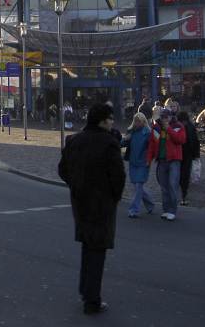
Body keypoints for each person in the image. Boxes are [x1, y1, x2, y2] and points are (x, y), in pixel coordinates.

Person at [58, 103, 126, 315]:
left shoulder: (74, 140)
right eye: (110, 118)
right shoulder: (109, 143)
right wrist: (114, 196)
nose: (113, 122)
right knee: (97, 251)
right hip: (102, 204)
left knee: (88, 247)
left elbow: (62, 170)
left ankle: (85, 290)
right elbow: (118, 176)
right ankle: (91, 300)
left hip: (80, 202)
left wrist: (76, 185)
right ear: (103, 120)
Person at [147, 108, 186, 221]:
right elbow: (152, 145)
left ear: (170, 117)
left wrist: (168, 129)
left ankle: (172, 210)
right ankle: (166, 210)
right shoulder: (156, 127)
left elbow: (181, 140)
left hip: (174, 160)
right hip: (161, 160)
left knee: (172, 185)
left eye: (166, 117)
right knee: (164, 187)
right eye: (163, 117)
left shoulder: (177, 126)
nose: (165, 119)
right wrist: (149, 159)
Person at [121, 113, 154, 217]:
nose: (137, 123)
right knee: (137, 187)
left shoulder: (148, 133)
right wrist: (125, 139)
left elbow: (152, 148)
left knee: (139, 186)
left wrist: (149, 160)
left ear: (144, 122)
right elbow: (122, 143)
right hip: (133, 162)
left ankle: (134, 210)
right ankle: (150, 204)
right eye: (135, 121)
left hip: (143, 163)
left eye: (139, 121)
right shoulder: (131, 132)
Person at [177, 110, 201, 205]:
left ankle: (184, 193)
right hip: (180, 154)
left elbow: (195, 141)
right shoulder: (181, 127)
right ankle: (181, 191)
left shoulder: (190, 127)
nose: (183, 123)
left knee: (185, 175)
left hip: (187, 154)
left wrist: (196, 155)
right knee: (181, 174)